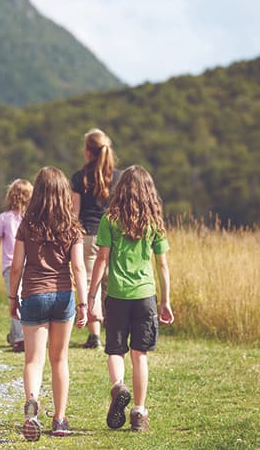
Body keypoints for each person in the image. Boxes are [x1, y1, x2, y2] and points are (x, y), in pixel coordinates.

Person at [87, 165, 173, 433]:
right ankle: (138, 413)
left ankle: (118, 387)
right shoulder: (154, 222)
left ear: (120, 190)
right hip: (145, 295)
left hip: (117, 295)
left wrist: (91, 296)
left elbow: (101, 259)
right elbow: (163, 266)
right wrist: (165, 301)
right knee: (140, 355)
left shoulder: (109, 220)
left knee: (115, 350)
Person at [8, 166, 89, 441]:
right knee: (59, 359)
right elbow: (78, 267)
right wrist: (84, 303)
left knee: (33, 359)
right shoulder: (72, 226)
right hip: (63, 295)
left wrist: (12, 297)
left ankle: (31, 406)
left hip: (33, 294)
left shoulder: (27, 225)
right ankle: (60, 419)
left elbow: (16, 266)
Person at [71, 128, 120, 349]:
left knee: (92, 283)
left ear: (88, 152)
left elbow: (74, 212)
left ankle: (95, 336)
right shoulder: (118, 177)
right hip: (116, 235)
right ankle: (118, 329)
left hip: (89, 234)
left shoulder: (79, 178)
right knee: (116, 281)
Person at [0, 178, 33, 353]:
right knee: (24, 300)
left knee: (14, 298)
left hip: (9, 265)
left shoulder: (3, 218)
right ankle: (17, 336)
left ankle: (19, 338)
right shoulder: (32, 219)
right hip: (30, 264)